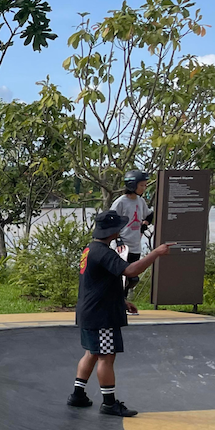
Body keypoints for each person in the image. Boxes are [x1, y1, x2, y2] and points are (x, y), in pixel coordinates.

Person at [68, 211, 171, 417]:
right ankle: (109, 403)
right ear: (113, 231)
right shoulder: (104, 252)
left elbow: (96, 283)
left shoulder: (90, 249)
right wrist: (156, 253)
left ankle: (78, 395)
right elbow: (131, 270)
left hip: (90, 310)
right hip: (101, 315)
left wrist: (121, 301)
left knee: (92, 352)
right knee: (106, 356)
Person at [111, 169, 154, 302]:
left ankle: (123, 301)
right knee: (121, 278)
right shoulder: (121, 202)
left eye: (145, 185)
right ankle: (119, 302)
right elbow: (111, 221)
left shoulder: (140, 201)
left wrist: (145, 224)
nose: (144, 188)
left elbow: (149, 214)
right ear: (132, 185)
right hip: (122, 246)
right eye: (142, 185)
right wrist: (118, 240)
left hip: (135, 245)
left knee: (133, 279)